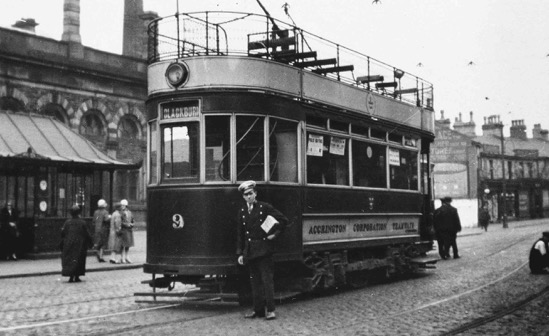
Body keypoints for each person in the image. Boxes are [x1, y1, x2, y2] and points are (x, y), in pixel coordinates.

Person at [236, 181, 288, 320]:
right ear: (243, 196)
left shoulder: (264, 207)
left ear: (255, 193)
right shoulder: (242, 211)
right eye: (246, 194)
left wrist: (274, 234)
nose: (249, 197)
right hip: (250, 252)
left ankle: (271, 310)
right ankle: (257, 310)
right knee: (255, 282)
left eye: (251, 193)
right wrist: (240, 253)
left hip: (265, 251)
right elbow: (240, 234)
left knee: (267, 282)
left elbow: (283, 220)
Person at [60, 205, 93, 283]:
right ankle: (77, 276)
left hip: (69, 244)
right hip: (80, 244)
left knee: (70, 259)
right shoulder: (82, 222)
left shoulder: (67, 222)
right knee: (79, 259)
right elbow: (87, 233)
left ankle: (71, 276)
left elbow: (63, 233)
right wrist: (91, 243)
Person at [118, 199, 135, 264]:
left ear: (126, 206)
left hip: (129, 230)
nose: (122, 206)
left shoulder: (130, 212)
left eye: (123, 205)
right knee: (123, 245)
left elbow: (133, 219)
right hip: (124, 230)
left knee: (128, 244)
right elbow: (120, 222)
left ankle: (127, 257)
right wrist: (127, 224)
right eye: (121, 205)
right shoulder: (120, 213)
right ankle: (122, 257)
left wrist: (132, 224)